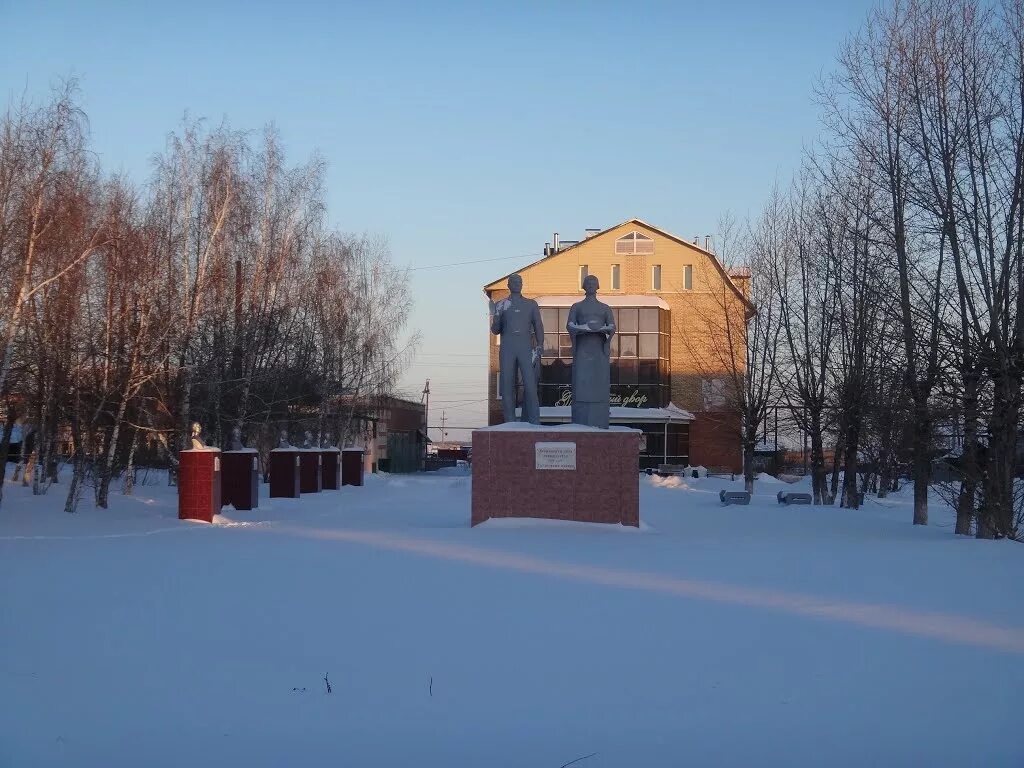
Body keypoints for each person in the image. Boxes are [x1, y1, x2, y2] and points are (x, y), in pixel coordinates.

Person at [490, 274, 544, 424]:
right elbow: (495, 330)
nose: (517, 284)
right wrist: (496, 319)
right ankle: (509, 421)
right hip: (507, 347)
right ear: (509, 285)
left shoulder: (531, 304)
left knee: (530, 383)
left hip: (525, 347)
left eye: (519, 281)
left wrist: (540, 344)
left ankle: (534, 420)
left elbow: (538, 325)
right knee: (507, 384)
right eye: (514, 282)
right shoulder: (501, 305)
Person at [567, 274, 615, 428]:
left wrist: (603, 332)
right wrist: (584, 328)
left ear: (598, 286)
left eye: (594, 282)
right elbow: (570, 325)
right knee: (582, 380)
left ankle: (599, 414)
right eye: (588, 282)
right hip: (582, 349)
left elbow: (612, 327)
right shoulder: (577, 306)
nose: (591, 285)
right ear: (583, 285)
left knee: (599, 380)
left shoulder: (605, 308)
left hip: (599, 350)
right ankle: (581, 415)